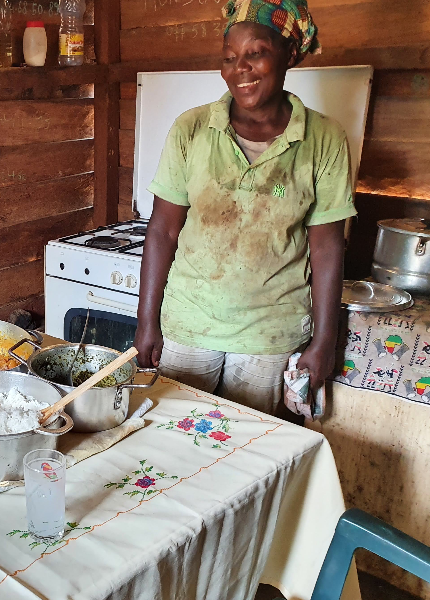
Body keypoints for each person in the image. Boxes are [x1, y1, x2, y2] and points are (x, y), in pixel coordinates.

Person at [135, 0, 356, 414]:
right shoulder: (193, 128)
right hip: (189, 325)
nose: (241, 68)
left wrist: (325, 339)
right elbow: (163, 229)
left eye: (256, 53)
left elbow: (327, 246)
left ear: (289, 54)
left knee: (249, 456)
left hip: (269, 336)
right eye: (230, 58)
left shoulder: (324, 139)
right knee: (174, 450)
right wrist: (147, 319)